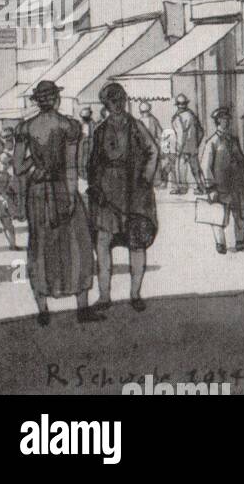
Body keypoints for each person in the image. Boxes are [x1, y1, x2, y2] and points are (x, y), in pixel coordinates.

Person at [13, 79, 98, 326]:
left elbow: (18, 167)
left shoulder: (25, 128)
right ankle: (82, 309)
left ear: (38, 101)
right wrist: (72, 197)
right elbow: (71, 166)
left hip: (37, 191)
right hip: (63, 187)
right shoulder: (68, 126)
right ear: (56, 100)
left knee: (40, 245)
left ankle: (43, 310)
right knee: (77, 245)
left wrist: (38, 161)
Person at [87, 81, 159, 313]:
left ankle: (135, 294)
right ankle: (105, 296)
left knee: (136, 244)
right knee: (103, 242)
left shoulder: (136, 126)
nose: (117, 105)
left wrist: (146, 178)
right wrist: (94, 186)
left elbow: (153, 151)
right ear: (106, 105)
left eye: (120, 100)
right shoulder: (99, 131)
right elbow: (93, 163)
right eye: (112, 102)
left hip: (133, 192)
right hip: (107, 192)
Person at [197, 105, 244, 253]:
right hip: (220, 186)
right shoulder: (212, 142)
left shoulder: (233, 140)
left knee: (241, 214)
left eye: (228, 119)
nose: (227, 122)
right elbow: (205, 167)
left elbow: (241, 159)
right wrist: (210, 187)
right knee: (218, 215)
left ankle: (240, 243)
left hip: (237, 185)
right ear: (218, 121)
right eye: (224, 119)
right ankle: (220, 244)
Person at [171, 94, 204, 194]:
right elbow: (201, 132)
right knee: (196, 168)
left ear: (177, 105)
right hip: (193, 147)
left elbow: (181, 134)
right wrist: (195, 144)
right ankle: (201, 187)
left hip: (183, 148)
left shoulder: (178, 117)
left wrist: (179, 149)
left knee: (180, 167)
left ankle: (182, 188)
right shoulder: (192, 115)